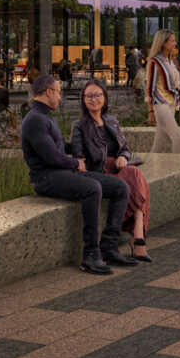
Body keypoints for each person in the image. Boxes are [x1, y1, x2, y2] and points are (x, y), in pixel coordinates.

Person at [22, 74, 132, 275]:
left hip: (63, 173)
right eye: (58, 92)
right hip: (46, 178)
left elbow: (60, 147)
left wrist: (85, 148)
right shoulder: (35, 120)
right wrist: (76, 162)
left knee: (120, 187)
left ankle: (108, 246)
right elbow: (50, 156)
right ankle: (90, 254)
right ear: (48, 92)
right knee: (92, 188)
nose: (60, 97)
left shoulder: (45, 117)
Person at [70, 78, 153, 262]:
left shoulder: (112, 121)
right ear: (83, 100)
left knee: (133, 173)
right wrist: (80, 162)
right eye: (89, 96)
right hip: (99, 171)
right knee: (134, 176)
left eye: (98, 95)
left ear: (104, 98)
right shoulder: (79, 125)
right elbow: (78, 155)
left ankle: (138, 231)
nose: (94, 99)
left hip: (119, 167)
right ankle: (137, 238)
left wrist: (123, 156)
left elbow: (124, 148)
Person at [144, 28, 180, 154]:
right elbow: (149, 88)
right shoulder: (154, 62)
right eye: (172, 41)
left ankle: (148, 169)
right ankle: (177, 170)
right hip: (160, 105)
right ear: (163, 43)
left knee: (159, 142)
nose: (175, 43)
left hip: (172, 104)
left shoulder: (173, 60)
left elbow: (176, 82)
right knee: (178, 138)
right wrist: (150, 111)